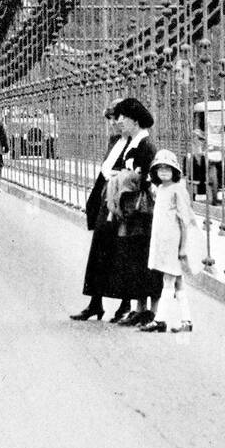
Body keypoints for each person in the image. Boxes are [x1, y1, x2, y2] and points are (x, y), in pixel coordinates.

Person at [106, 97, 161, 327]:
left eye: (124, 118)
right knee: (134, 258)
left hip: (142, 212)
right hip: (131, 211)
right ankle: (139, 308)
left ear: (135, 121)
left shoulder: (146, 146)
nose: (120, 122)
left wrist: (127, 179)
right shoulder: (134, 143)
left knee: (143, 258)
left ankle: (148, 311)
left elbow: (149, 179)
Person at [71, 108, 126, 321]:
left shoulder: (133, 143)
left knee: (120, 254)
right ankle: (96, 304)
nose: (112, 123)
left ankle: (124, 305)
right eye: (110, 119)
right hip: (105, 199)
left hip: (118, 204)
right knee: (99, 252)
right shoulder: (114, 141)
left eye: (116, 118)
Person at [137, 148, 198, 333]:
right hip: (162, 243)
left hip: (173, 243)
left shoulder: (177, 190)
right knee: (178, 282)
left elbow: (185, 220)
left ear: (175, 171)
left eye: (168, 168)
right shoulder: (161, 189)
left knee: (168, 281)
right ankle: (186, 321)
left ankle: (160, 319)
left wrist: (183, 246)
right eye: (160, 168)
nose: (163, 172)